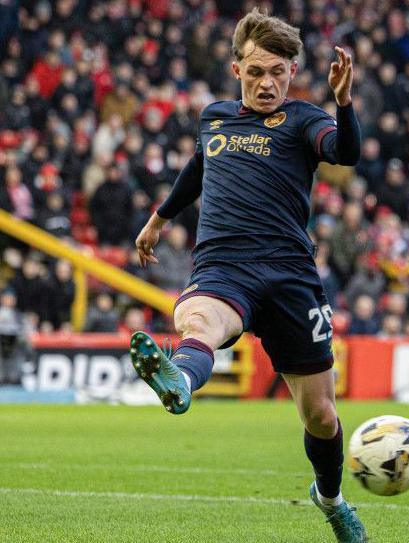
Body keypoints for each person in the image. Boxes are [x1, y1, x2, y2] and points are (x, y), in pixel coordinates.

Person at [130, 9, 366, 543]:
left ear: (292, 72)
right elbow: (198, 168)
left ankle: (330, 499)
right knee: (198, 319)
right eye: (257, 71)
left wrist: (344, 103)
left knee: (322, 417)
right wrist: (157, 220)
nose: (268, 83)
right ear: (237, 69)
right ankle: (181, 380)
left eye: (279, 72)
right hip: (224, 263)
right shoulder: (214, 118)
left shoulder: (306, 120)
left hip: (289, 275)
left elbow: (346, 154)